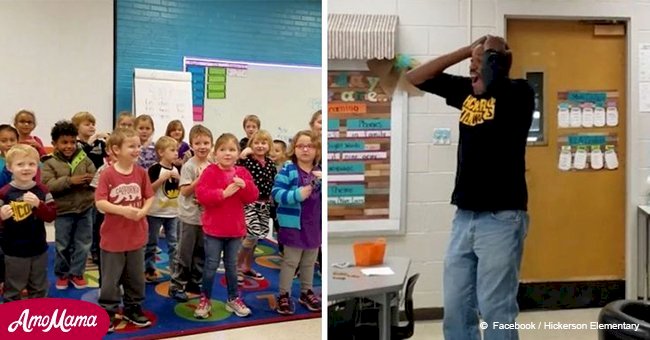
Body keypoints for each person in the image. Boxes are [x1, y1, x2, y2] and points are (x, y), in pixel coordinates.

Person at [406, 35, 534, 340]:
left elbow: (494, 72)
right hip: (464, 217)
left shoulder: (518, 93)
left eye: (478, 63)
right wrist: (467, 49)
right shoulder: (467, 94)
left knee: (495, 308)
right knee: (456, 308)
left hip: (502, 218)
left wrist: (490, 51)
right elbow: (415, 77)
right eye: (470, 64)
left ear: (497, 64)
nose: (472, 70)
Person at [194, 133, 259, 319]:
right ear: (216, 153)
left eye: (232, 150)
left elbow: (252, 197)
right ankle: (205, 299)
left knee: (232, 266)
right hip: (214, 229)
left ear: (238, 153)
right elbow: (202, 195)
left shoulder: (243, 173)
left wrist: (245, 185)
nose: (227, 153)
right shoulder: (210, 172)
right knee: (211, 265)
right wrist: (222, 193)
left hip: (235, 229)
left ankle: (233, 298)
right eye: (223, 150)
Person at [95, 127, 154, 331]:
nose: (137, 149)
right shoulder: (107, 174)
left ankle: (133, 307)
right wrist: (123, 211)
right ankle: (108, 310)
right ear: (115, 149)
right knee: (111, 279)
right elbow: (100, 203)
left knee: (136, 276)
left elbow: (149, 196)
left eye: (138, 146)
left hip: (137, 236)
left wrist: (143, 211)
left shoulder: (141, 173)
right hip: (113, 238)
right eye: (131, 146)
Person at [41, 120, 96, 290]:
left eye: (73, 142)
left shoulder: (84, 158)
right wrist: (70, 181)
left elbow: (95, 175)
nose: (69, 146)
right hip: (63, 210)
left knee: (83, 243)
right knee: (63, 244)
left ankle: (77, 273)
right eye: (64, 142)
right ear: (54, 144)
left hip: (85, 208)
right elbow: (47, 185)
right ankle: (63, 273)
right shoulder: (49, 162)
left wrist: (89, 181)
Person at [272, 130, 322, 315]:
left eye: (310, 146)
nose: (305, 149)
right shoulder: (288, 170)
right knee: (291, 262)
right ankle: (284, 294)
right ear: (294, 149)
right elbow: (276, 193)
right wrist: (295, 195)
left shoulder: (321, 171)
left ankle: (305, 292)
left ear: (317, 149)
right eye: (301, 146)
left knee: (309, 262)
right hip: (293, 225)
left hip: (314, 226)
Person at [0, 144, 56, 301]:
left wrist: (39, 205)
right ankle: (12, 317)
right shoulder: (4, 192)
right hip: (13, 250)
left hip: (38, 248)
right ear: (10, 168)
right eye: (20, 164)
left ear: (37, 167)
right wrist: (1, 216)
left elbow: (51, 216)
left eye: (31, 164)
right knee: (13, 287)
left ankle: (37, 317)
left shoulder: (43, 191)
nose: (26, 168)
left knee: (39, 287)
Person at [168, 125, 212, 302]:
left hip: (205, 217)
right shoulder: (188, 166)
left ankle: (195, 280)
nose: (202, 146)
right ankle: (177, 285)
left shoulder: (211, 165)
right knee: (184, 253)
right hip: (188, 217)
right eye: (198, 143)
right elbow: (185, 191)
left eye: (206, 143)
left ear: (211, 144)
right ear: (191, 145)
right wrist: (199, 180)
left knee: (201, 251)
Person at [236, 130, 277, 284]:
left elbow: (273, 183)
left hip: (264, 204)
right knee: (250, 236)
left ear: (269, 145)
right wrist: (241, 156)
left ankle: (247, 266)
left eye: (263, 143)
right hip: (249, 202)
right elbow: (235, 170)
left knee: (256, 237)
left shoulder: (271, 163)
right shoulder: (247, 161)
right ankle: (236, 267)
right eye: (257, 143)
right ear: (251, 145)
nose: (260, 146)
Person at [72, 111, 108, 265]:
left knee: (98, 221)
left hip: (99, 186)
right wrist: (90, 142)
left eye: (93, 124)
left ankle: (96, 250)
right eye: (87, 124)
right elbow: (79, 159)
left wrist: (108, 140)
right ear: (77, 127)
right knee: (86, 222)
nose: (91, 127)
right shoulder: (75, 144)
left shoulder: (99, 143)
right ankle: (79, 252)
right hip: (83, 188)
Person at [144, 136, 180, 282]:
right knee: (151, 242)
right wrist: (161, 179)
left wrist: (178, 178)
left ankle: (174, 271)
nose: (176, 153)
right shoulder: (155, 168)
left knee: (174, 243)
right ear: (161, 152)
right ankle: (149, 269)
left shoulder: (176, 168)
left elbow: (180, 189)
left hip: (172, 213)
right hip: (155, 212)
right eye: (172, 150)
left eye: (176, 150)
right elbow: (148, 190)